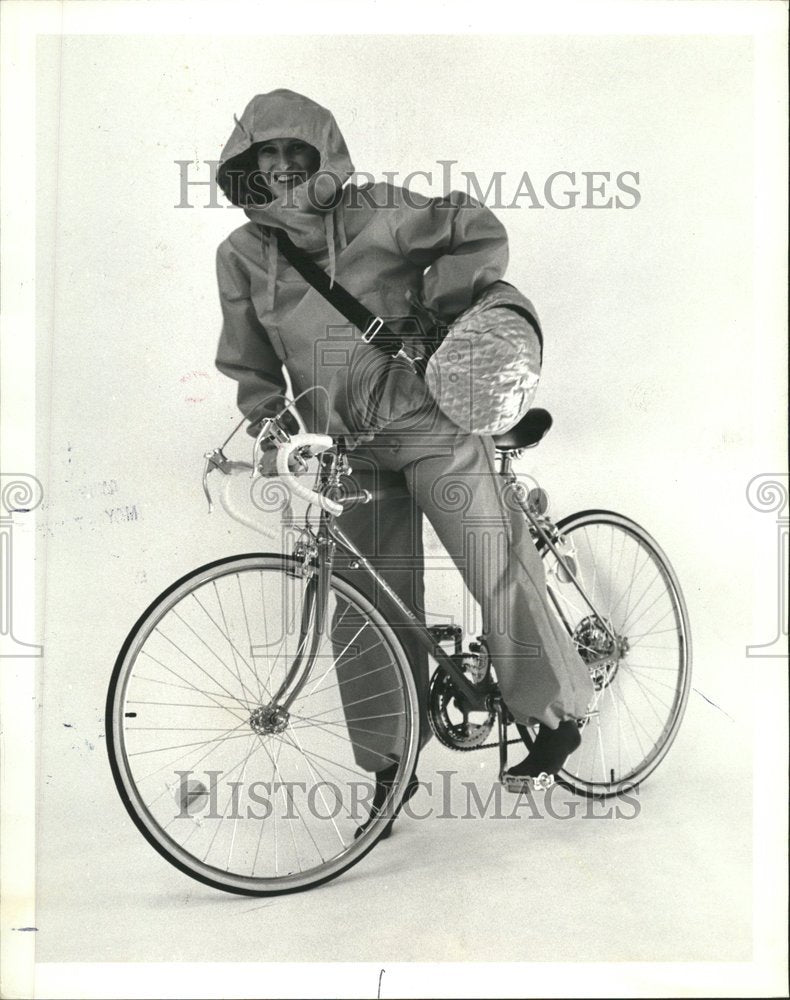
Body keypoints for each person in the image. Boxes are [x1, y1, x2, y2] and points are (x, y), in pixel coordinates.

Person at [214, 89, 594, 827]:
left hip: (428, 423)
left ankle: (558, 717)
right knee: (365, 614)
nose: (287, 166)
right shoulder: (240, 256)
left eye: (300, 150)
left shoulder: (379, 210)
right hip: (342, 451)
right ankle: (391, 770)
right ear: (247, 164)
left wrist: (443, 312)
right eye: (270, 153)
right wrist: (267, 426)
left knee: (494, 560)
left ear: (326, 151)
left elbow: (474, 228)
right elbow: (249, 358)